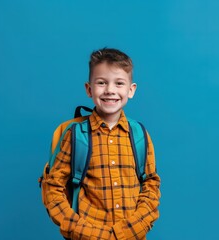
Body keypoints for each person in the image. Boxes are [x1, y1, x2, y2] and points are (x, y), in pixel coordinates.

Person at [43, 48, 161, 240]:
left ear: (131, 90)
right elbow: (53, 189)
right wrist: (83, 232)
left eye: (119, 83)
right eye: (101, 82)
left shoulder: (139, 134)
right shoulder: (74, 136)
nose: (110, 90)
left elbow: (150, 184)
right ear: (89, 89)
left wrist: (133, 229)